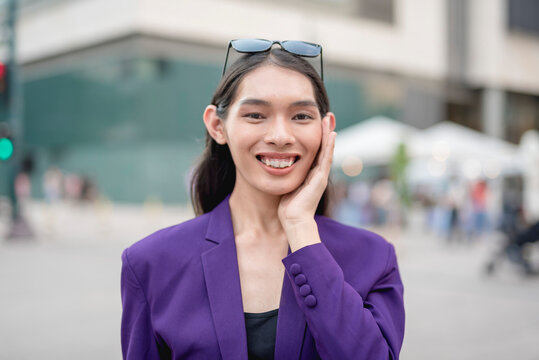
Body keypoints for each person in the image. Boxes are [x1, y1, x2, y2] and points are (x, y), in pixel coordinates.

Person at [121, 39, 405, 360]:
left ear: (326, 129)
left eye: (301, 116)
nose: (280, 136)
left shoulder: (373, 258)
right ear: (218, 126)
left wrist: (300, 229)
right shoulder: (151, 262)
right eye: (256, 115)